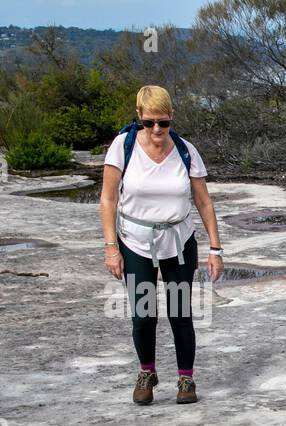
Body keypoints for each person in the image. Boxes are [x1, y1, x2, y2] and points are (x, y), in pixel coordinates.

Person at [100, 85, 224, 405]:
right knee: (144, 314)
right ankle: (147, 373)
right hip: (136, 242)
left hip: (178, 242)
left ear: (172, 119)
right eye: (149, 122)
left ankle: (185, 379)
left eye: (163, 122)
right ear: (139, 117)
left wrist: (215, 248)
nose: (156, 129)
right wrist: (111, 248)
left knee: (180, 312)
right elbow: (108, 198)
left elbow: (203, 201)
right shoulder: (122, 147)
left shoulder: (185, 150)